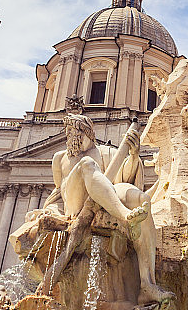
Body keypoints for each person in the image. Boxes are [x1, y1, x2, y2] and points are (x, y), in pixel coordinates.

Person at [44, 112, 174, 306]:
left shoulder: (107, 152)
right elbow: (57, 193)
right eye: (68, 131)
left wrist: (133, 155)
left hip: (105, 197)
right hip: (77, 203)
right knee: (87, 164)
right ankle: (126, 216)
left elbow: (124, 177)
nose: (69, 136)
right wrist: (51, 210)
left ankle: (147, 284)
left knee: (143, 200)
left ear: (86, 132)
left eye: (73, 131)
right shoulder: (59, 158)